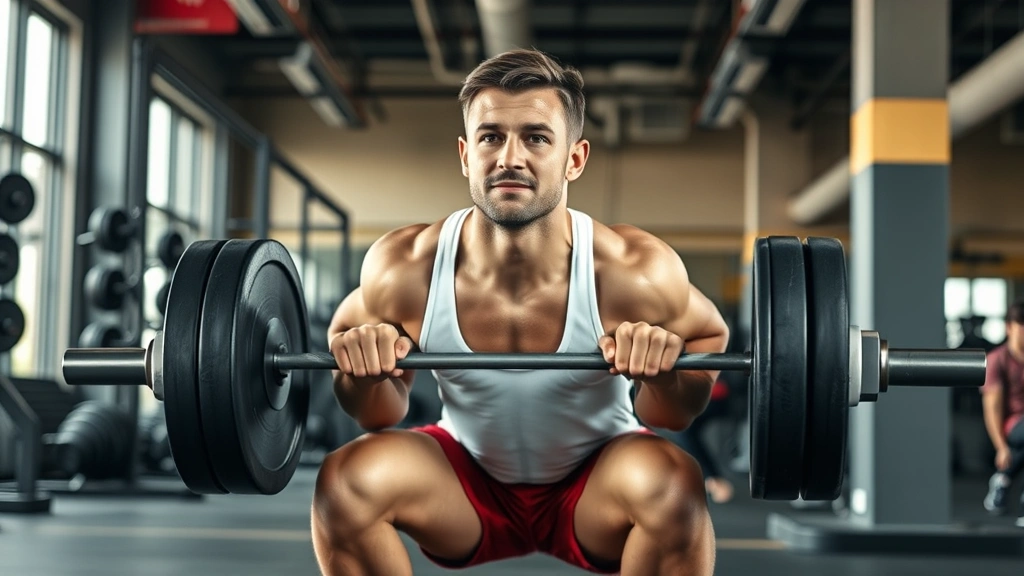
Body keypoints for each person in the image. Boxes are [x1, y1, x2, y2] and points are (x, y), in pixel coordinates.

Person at [311, 48, 729, 576]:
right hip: (463, 482)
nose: (510, 157)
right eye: (491, 137)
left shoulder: (631, 270)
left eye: (535, 137)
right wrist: (364, 372)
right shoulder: (405, 268)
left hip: (598, 480)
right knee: (343, 484)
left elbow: (677, 402)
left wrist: (665, 377)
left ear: (574, 158)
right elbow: (378, 415)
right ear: (465, 155)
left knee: (675, 485)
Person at [982, 300, 1024, 527]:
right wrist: (1001, 448)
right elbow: (992, 409)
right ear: (1009, 327)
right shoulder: (997, 360)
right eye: (1021, 325)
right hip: (1012, 423)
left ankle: (1003, 479)